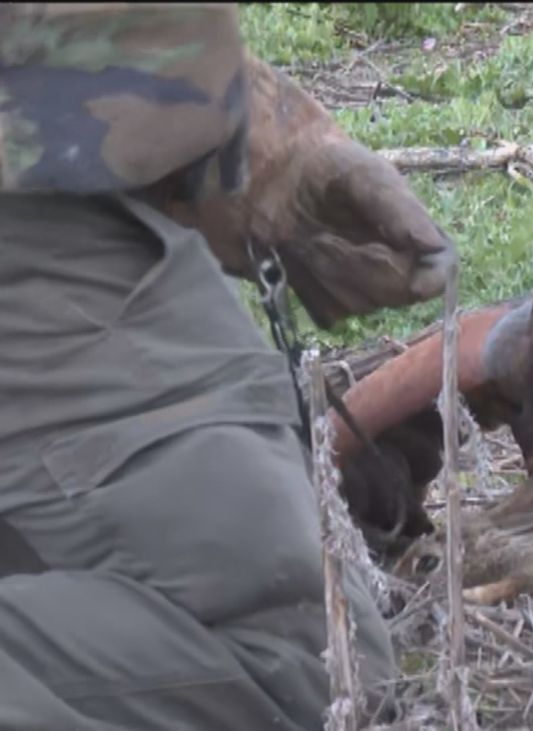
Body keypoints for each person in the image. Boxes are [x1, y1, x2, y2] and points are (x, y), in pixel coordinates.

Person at [0, 4, 456, 729]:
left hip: (75, 199)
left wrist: (261, 157)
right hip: (41, 226)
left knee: (322, 656)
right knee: (290, 662)